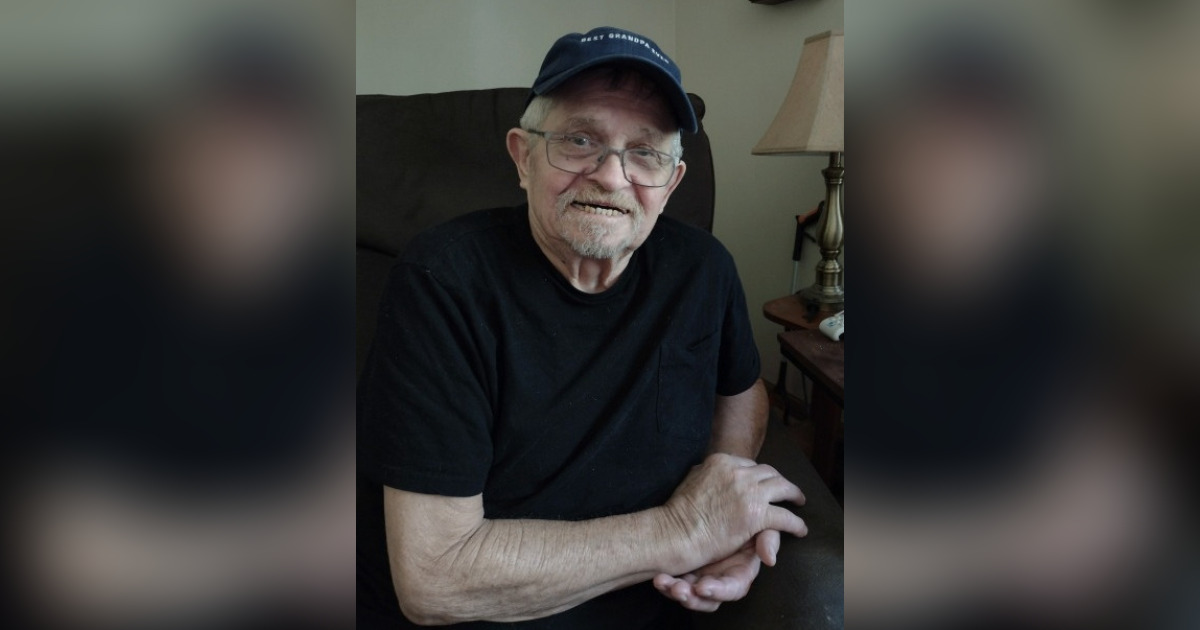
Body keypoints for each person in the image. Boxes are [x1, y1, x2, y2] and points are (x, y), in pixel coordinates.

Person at [357, 27, 807, 629]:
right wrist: (686, 529)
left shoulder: (704, 268)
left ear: (672, 182)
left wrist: (727, 504)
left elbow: (741, 390)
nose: (612, 177)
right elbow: (434, 578)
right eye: (579, 140)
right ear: (523, 157)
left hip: (659, 598)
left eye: (645, 152)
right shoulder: (443, 281)